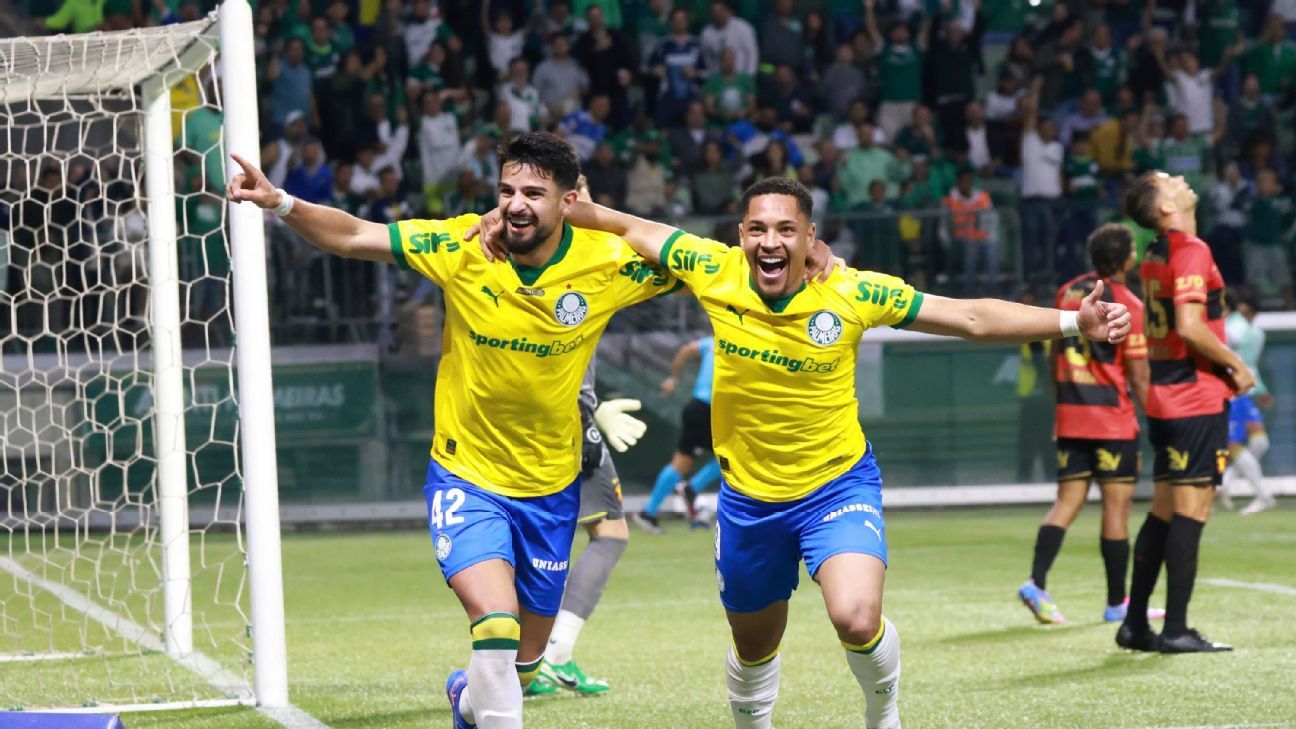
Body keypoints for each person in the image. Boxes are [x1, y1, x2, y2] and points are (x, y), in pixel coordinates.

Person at [473, 177, 1130, 728]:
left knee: (855, 613)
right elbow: (612, 221)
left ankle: (883, 713)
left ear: (810, 239)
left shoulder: (852, 292)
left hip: (835, 488)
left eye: (787, 229)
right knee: (755, 648)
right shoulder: (712, 268)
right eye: (758, 228)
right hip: (750, 502)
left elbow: (970, 317)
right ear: (740, 235)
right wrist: (502, 216)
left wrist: (1076, 320)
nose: (771, 241)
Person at [227, 133, 683, 729]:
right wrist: (282, 203)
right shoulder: (463, 245)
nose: (515, 204)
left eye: (534, 194)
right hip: (467, 476)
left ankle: (466, 701)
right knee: (495, 625)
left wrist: (808, 256)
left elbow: (689, 256)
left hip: (551, 488)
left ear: (568, 201)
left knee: (519, 668)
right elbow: (355, 234)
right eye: (507, 191)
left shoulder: (605, 263)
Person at [1118, 171, 1255, 655]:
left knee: (1163, 510)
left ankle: (1136, 624)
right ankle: (1176, 628)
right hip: (1194, 398)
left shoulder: (1158, 251)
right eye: (1167, 180)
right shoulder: (1190, 250)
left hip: (1165, 396)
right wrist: (1236, 365)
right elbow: (1191, 325)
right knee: (1193, 511)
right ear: (1165, 208)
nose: (1179, 178)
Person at [1018, 224, 1162, 625]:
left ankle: (1036, 583)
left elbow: (1053, 349)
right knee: (1116, 511)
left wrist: (1059, 403)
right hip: (1111, 421)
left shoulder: (1068, 292)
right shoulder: (1128, 303)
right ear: (1127, 258)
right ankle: (1117, 602)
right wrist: (1156, 422)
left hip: (1071, 414)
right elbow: (1138, 375)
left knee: (1066, 504)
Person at [539, 357, 647, 695]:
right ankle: (553, 655)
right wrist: (589, 408)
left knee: (528, 536)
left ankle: (520, 661)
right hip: (566, 416)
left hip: (514, 417)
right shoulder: (580, 301)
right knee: (610, 535)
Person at [634, 335, 721, 533]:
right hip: (708, 409)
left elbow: (686, 349)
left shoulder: (711, 341)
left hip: (698, 407)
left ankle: (649, 512)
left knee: (685, 461)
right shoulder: (736, 340)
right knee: (730, 455)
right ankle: (689, 490)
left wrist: (674, 379)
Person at [1219, 288, 1275, 515]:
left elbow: (1236, 361)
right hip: (1244, 391)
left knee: (1238, 446)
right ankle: (1227, 484)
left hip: (1234, 391)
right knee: (1257, 444)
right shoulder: (1253, 332)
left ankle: (1261, 494)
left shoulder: (1231, 329)